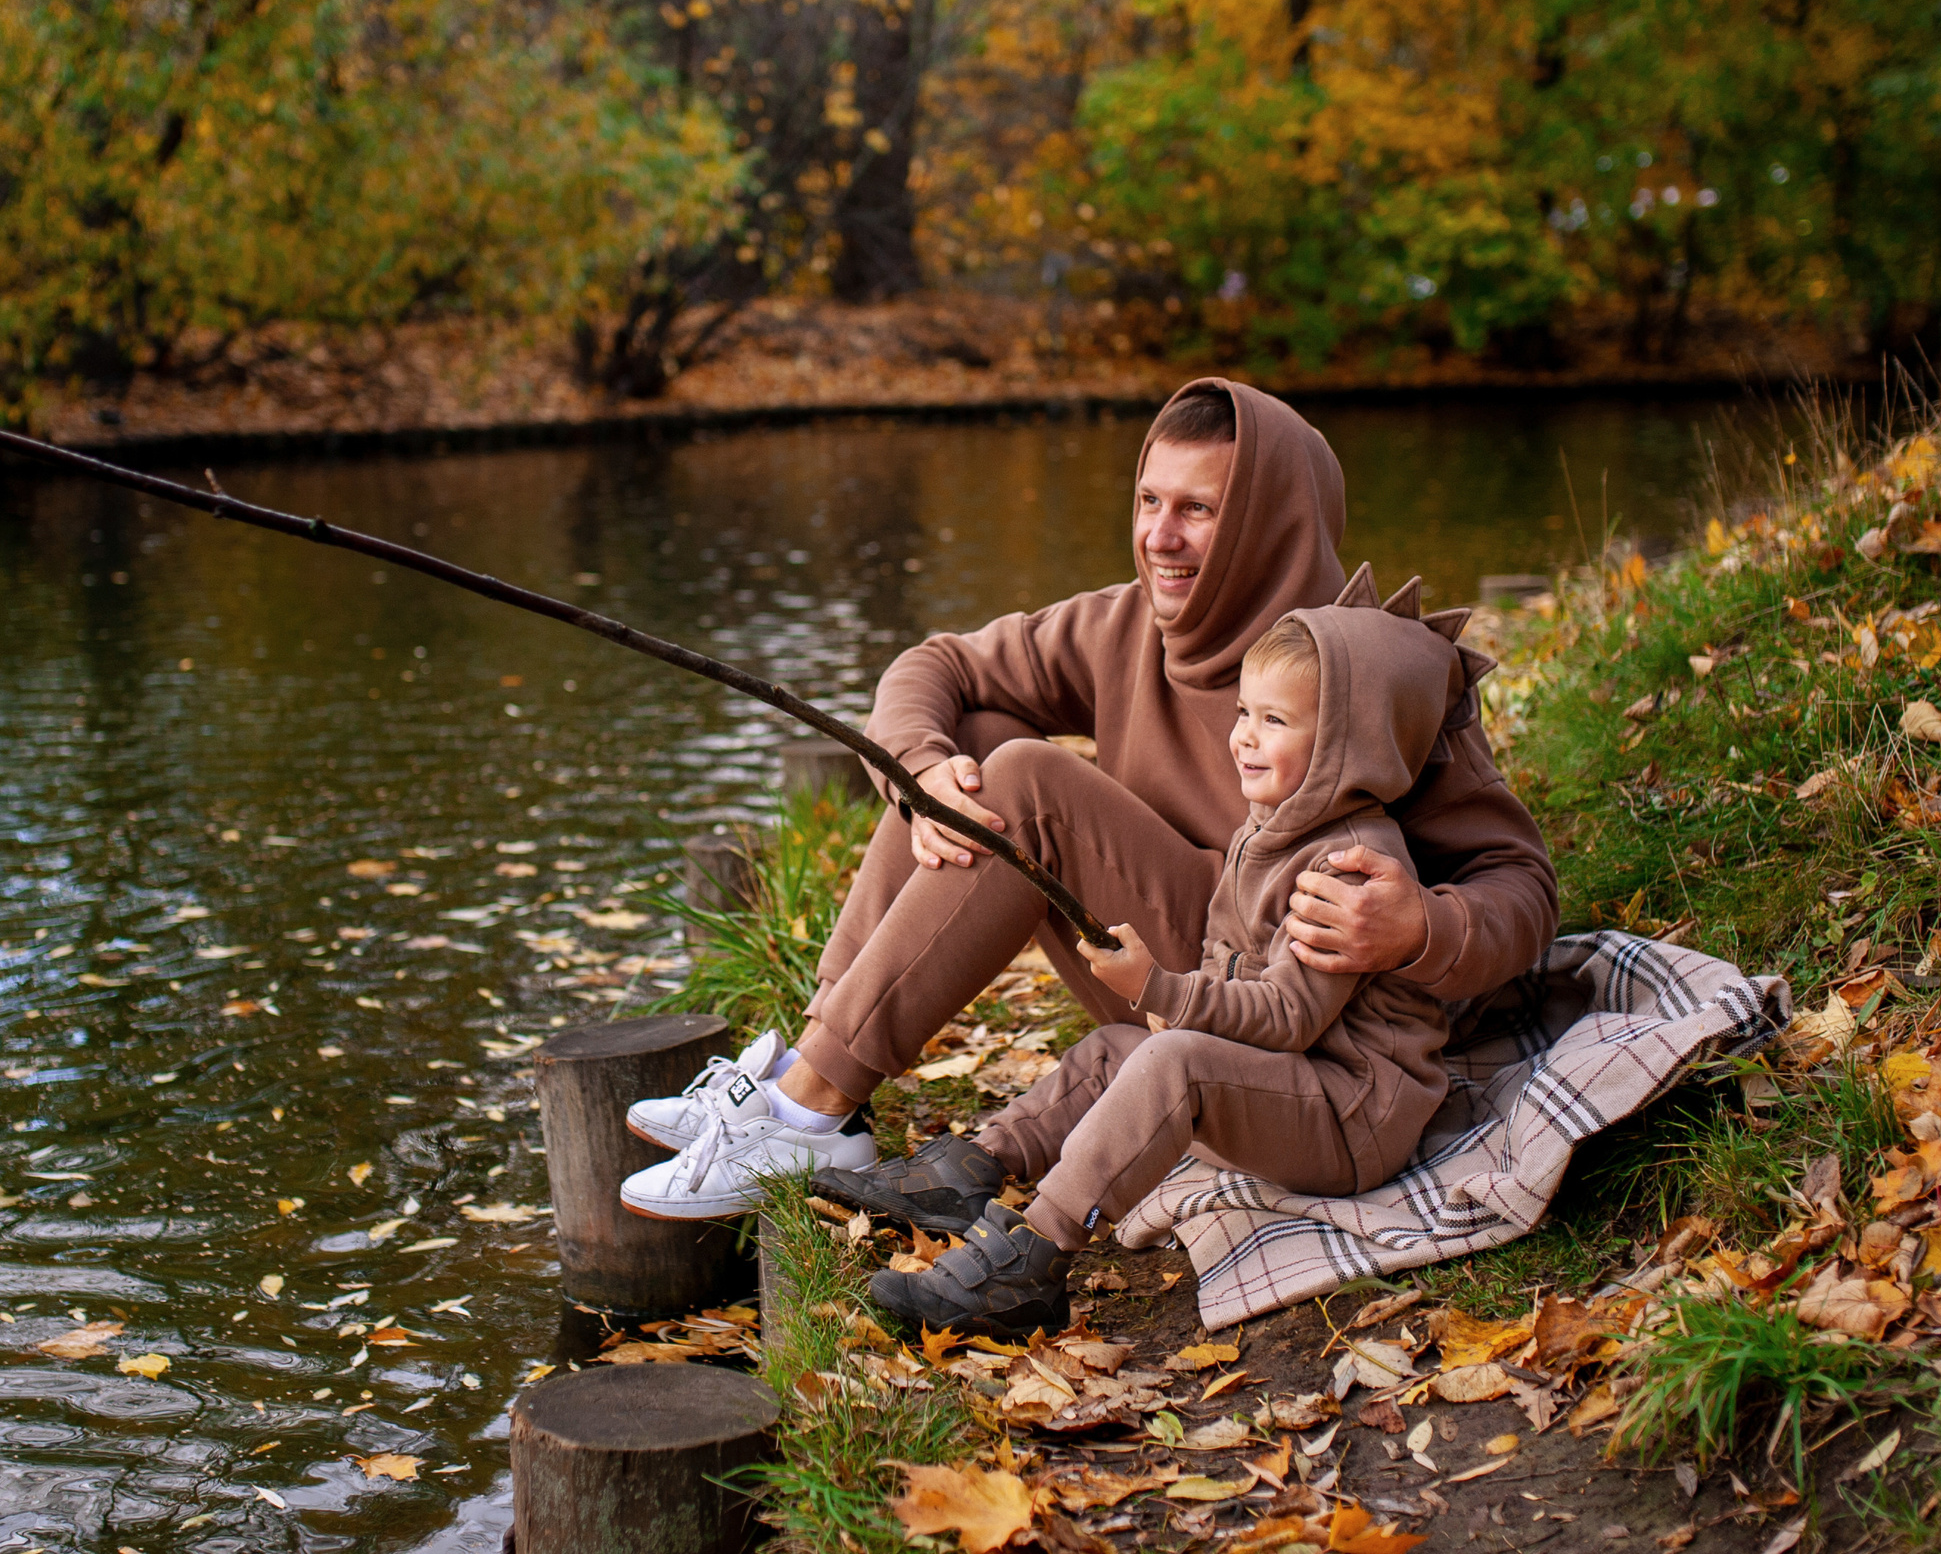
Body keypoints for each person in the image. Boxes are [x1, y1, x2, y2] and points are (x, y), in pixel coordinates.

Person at [615, 380, 1554, 1225]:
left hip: (1281, 1016)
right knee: (972, 745)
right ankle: (812, 1082)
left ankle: (809, 1106)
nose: (1159, 537)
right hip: (1156, 974)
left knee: (1025, 778)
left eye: (1199, 511)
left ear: (1269, 524)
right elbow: (934, 664)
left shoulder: (1363, 673)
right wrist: (922, 768)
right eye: (1149, 502)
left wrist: (1418, 926)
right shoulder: (1124, 622)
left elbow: (1523, 885)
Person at [858, 578, 1480, 1334]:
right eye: (1244, 712)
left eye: (1274, 720)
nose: (1242, 737)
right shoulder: (1271, 829)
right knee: (1117, 1049)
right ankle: (979, 1167)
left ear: (1347, 745)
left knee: (1169, 1062)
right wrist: (1170, 1000)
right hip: (1299, 1085)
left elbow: (1287, 1017)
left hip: (1350, 1114)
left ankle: (1032, 1261)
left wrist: (1161, 989)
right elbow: (1227, 952)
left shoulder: (1346, 869)